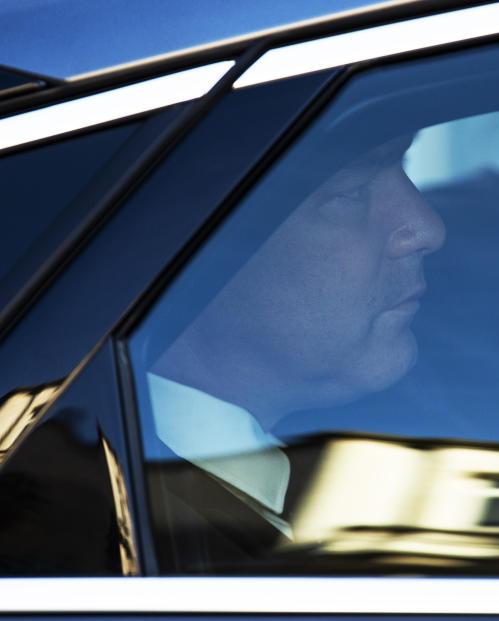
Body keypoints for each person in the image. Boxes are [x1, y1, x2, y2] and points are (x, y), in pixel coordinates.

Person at [142, 134, 445, 566]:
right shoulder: (136, 554)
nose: (429, 229)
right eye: (352, 192)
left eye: (404, 165)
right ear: (199, 245)